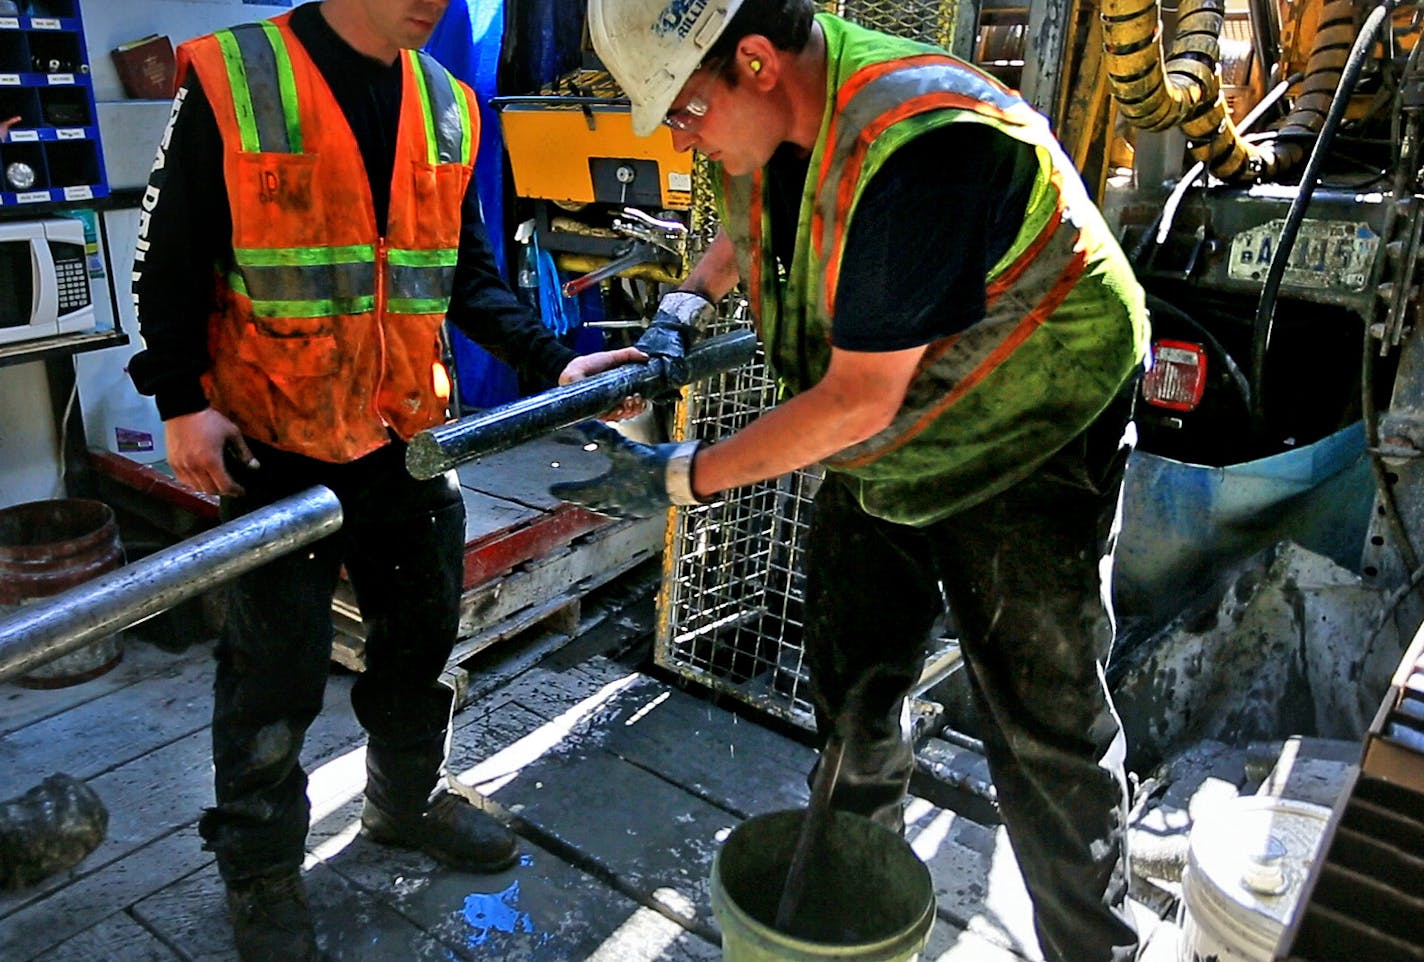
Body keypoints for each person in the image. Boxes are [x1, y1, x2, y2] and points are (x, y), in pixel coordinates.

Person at [552, 1, 1150, 959]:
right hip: (896, 433)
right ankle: (850, 911)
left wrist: (678, 477)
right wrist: (673, 320)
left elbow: (855, 401)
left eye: (685, 113)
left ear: (753, 61)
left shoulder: (924, 147)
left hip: (1029, 424)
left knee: (1043, 725)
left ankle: (1094, 948)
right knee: (858, 685)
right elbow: (753, 217)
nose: (678, 133)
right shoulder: (773, 115)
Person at [127, 1, 641, 958]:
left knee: (418, 643)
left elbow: (465, 274)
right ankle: (263, 870)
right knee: (270, 676)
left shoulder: (447, 101)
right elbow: (171, 255)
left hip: (407, 441)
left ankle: (403, 805)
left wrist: (550, 358)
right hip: (273, 442)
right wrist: (177, 397)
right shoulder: (241, 78)